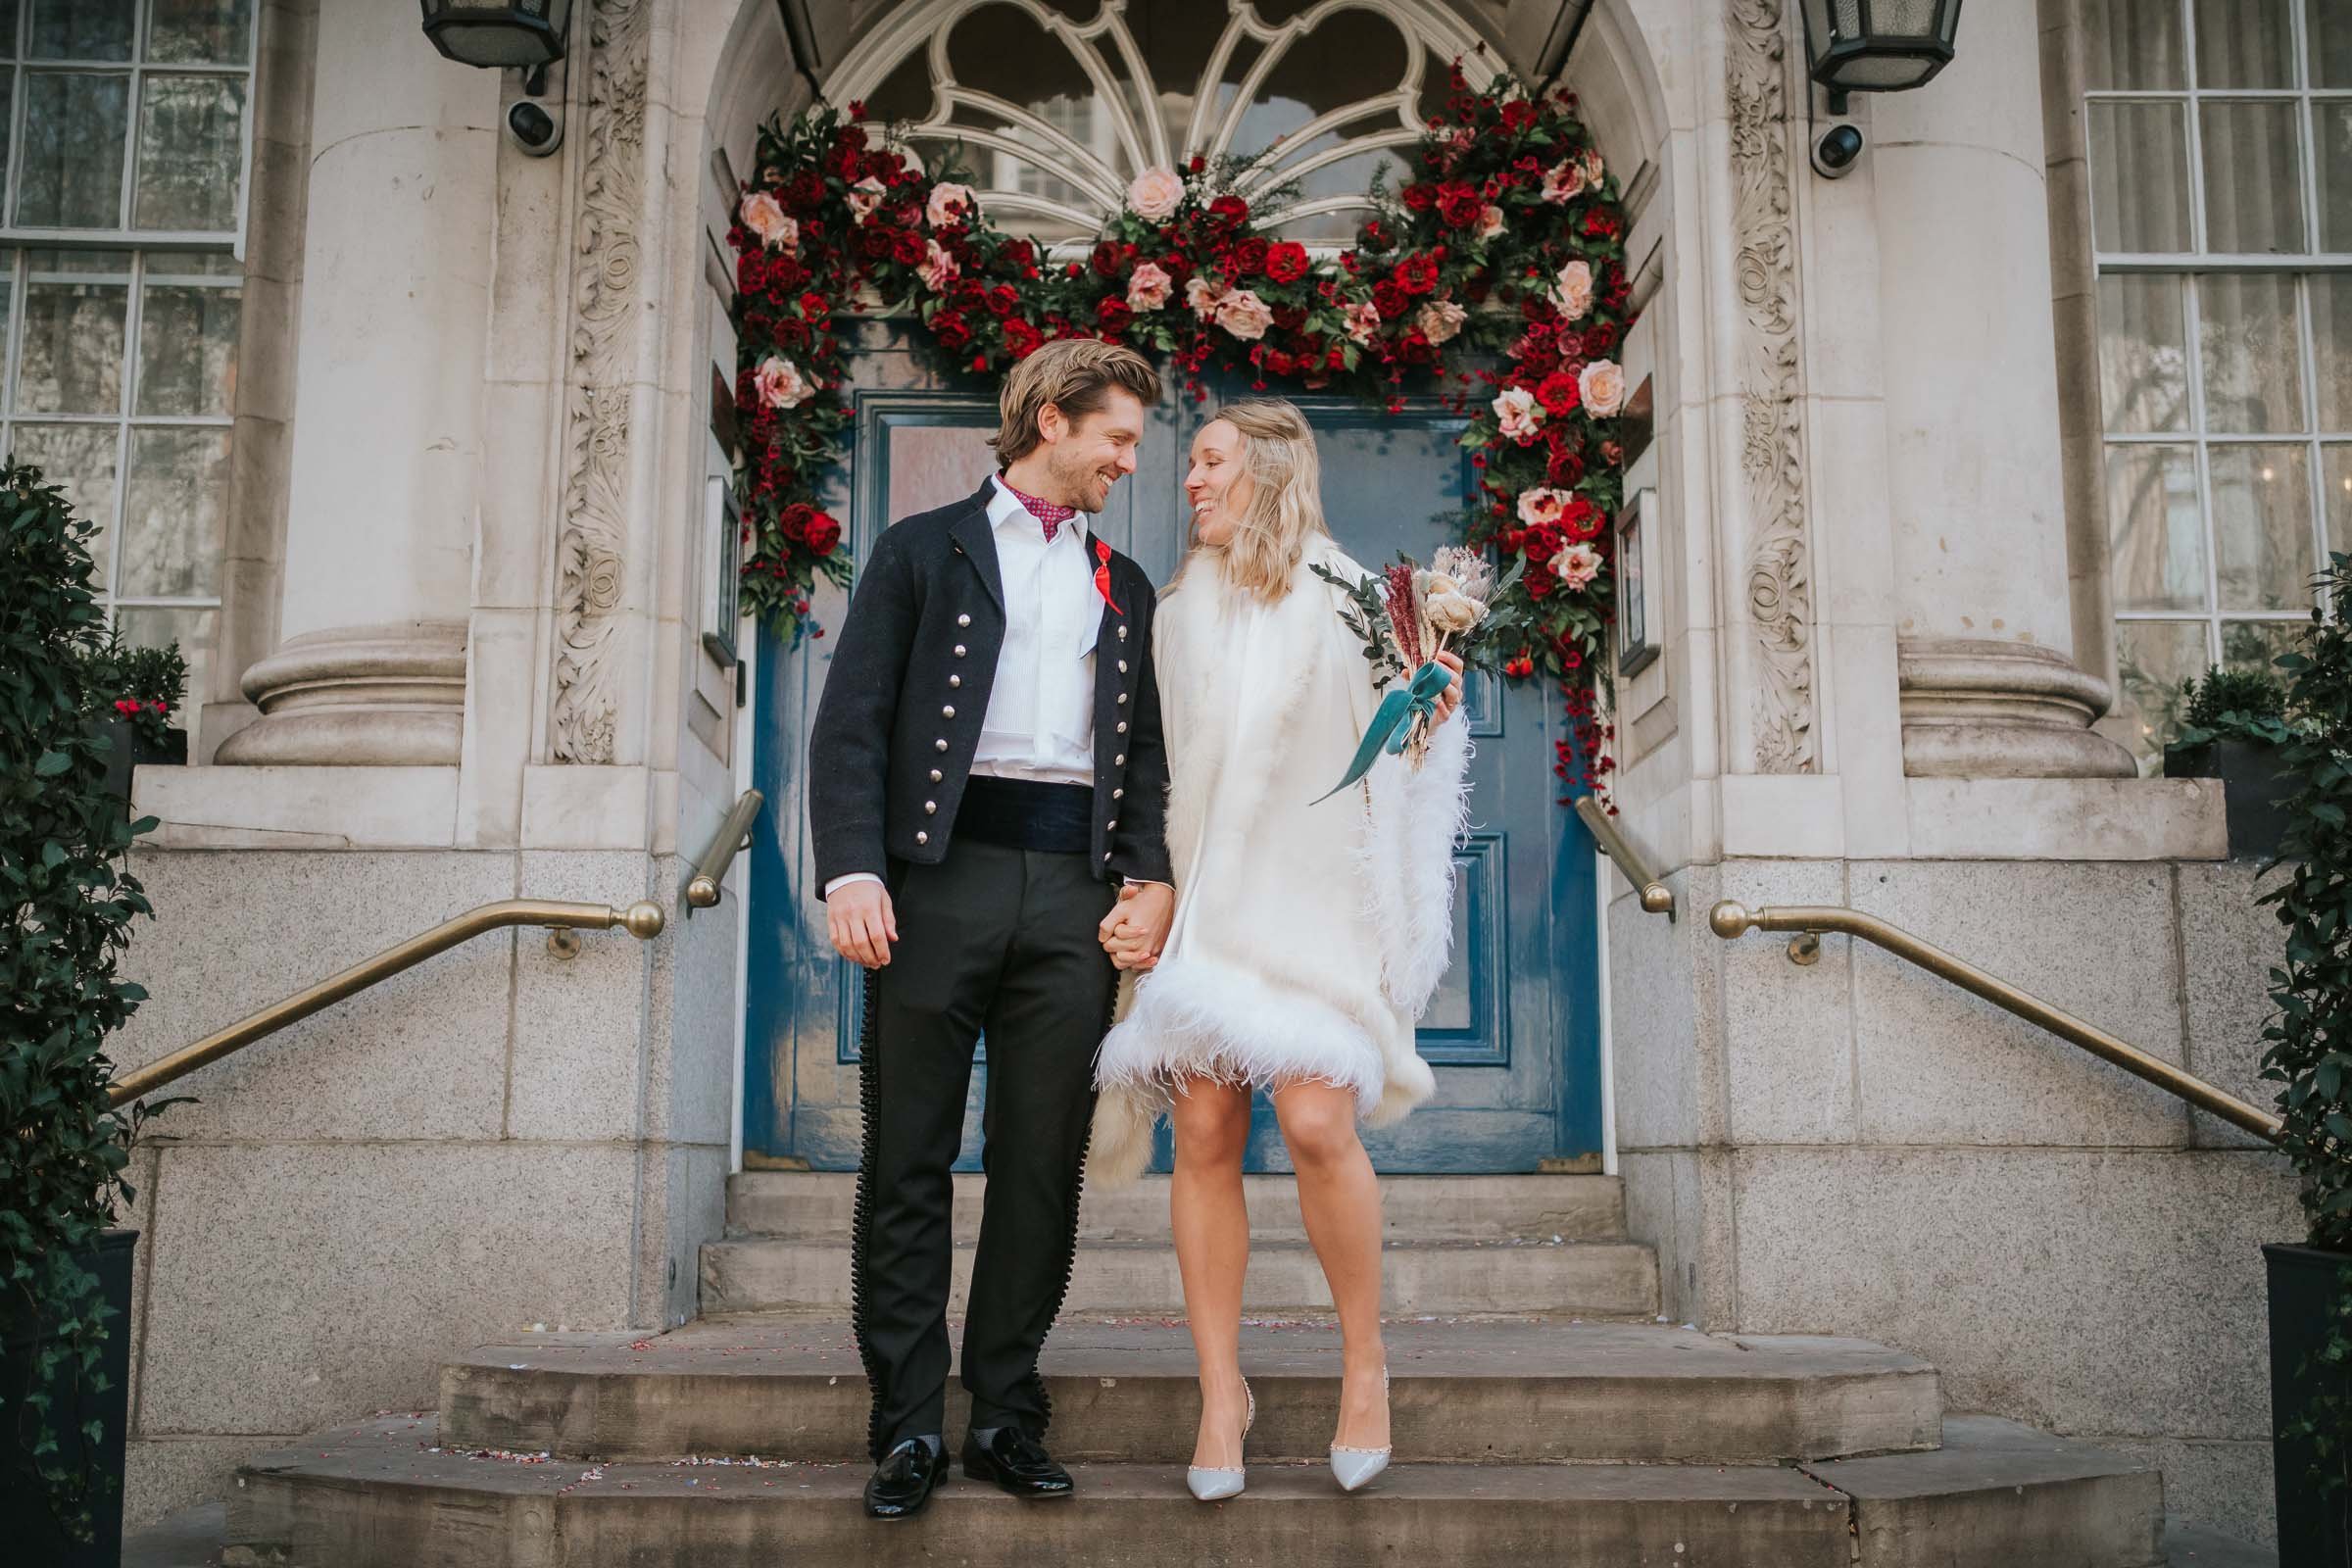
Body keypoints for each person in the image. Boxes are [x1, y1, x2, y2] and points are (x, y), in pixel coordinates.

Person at [808, 337, 1175, 1521]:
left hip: (1072, 886)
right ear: (1053, 419)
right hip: (938, 878)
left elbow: (1147, 762)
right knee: (908, 1156)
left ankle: (1007, 1413)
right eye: (1116, 435)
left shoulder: (1127, 581)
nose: (1128, 459)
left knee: (1037, 1163)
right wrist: (854, 870)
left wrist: (1147, 876)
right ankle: (908, 1425)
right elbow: (851, 722)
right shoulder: (923, 550)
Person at [1090, 397, 1469, 1501]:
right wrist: (1146, 893)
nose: (1191, 481)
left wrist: (1430, 701)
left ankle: (1366, 1363)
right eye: (1192, 465)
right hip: (1209, 907)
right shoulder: (1171, 612)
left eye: (1209, 463)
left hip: (1317, 909)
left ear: (1267, 468)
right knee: (1204, 1121)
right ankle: (1221, 1390)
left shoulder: (1359, 598)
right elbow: (1145, 771)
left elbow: (1411, 757)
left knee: (1313, 1117)